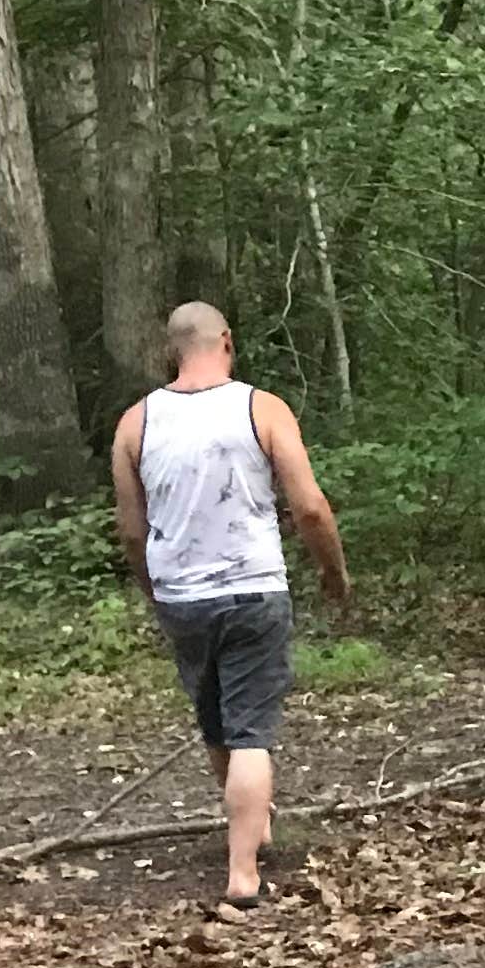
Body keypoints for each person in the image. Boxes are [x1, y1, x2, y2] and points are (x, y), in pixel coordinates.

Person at [110, 302, 352, 915]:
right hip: (253, 588)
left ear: (173, 349)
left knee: (215, 714)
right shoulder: (261, 408)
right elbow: (312, 507)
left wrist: (151, 586)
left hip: (182, 597)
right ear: (226, 342)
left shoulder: (134, 424)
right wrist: (333, 571)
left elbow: (132, 529)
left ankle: (256, 827)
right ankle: (243, 870)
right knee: (250, 730)